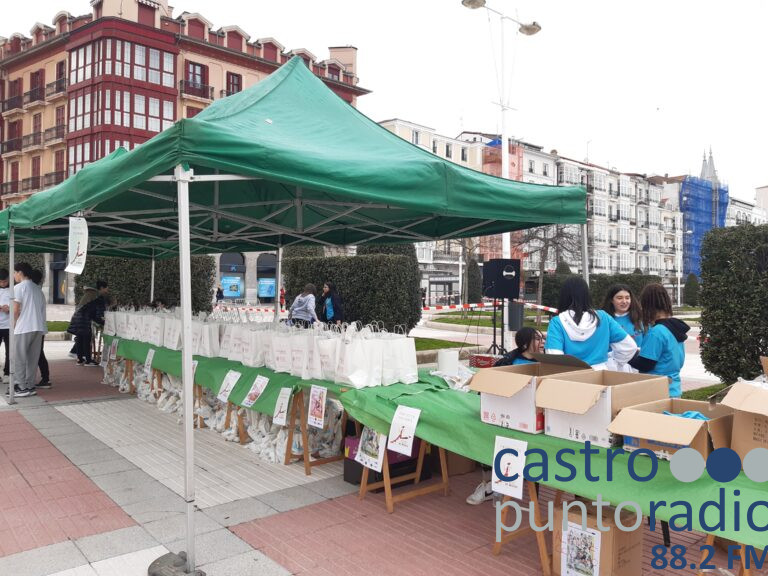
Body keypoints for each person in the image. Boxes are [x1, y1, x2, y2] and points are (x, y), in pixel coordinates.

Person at [545, 277, 637, 369]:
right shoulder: (604, 317)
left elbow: (554, 357)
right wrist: (612, 362)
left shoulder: (557, 322)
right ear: (587, 295)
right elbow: (629, 347)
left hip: (570, 377)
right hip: (600, 374)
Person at [628, 283, 689, 398]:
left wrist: (625, 355)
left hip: (657, 391)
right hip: (674, 388)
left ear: (647, 305)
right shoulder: (674, 327)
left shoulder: (656, 332)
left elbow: (646, 364)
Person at [10, 263, 46, 397]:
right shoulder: (38, 289)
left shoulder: (19, 287)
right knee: (32, 358)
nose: (13, 275)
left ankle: (20, 386)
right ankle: (30, 385)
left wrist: (13, 326)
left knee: (19, 357)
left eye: (14, 273)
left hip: (23, 327)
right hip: (38, 328)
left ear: (20, 272)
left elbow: (16, 310)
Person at [67, 285, 107, 366]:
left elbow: (90, 313)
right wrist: (104, 323)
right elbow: (97, 315)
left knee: (80, 339)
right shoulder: (98, 299)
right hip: (84, 320)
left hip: (76, 319)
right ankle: (88, 361)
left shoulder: (86, 296)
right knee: (86, 339)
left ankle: (80, 360)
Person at [29, 270, 51, 389]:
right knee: (39, 353)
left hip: (35, 328)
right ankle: (45, 377)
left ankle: (45, 378)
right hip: (39, 327)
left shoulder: (33, 291)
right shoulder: (38, 291)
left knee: (37, 354)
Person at [0, 269, 10, 383]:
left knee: (9, 351)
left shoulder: (13, 290)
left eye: (5, 281)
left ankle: (7, 372)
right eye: (1, 281)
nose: (3, 284)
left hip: (9, 325)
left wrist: (9, 308)